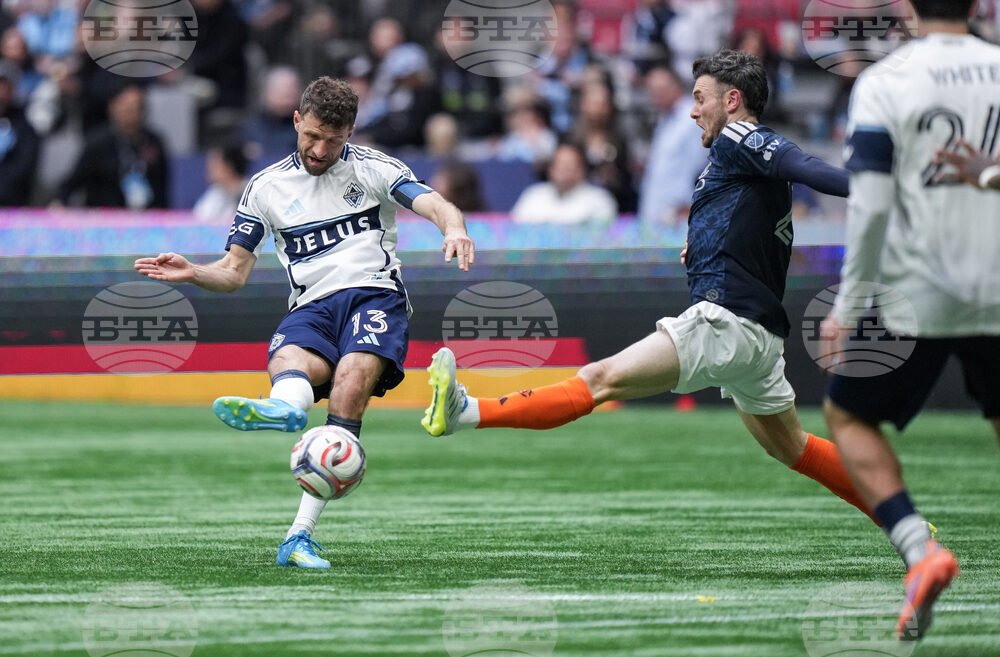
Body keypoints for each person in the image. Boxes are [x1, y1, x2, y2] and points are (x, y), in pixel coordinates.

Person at [423, 49, 881, 530]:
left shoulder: (742, 135)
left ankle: (466, 411)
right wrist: (705, 249)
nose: (692, 109)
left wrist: (875, 190)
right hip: (758, 335)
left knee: (600, 379)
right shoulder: (736, 162)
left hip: (727, 321)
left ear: (731, 100)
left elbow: (805, 165)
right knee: (793, 446)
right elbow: (755, 229)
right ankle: (901, 518)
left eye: (700, 98)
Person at [135, 77, 475, 569]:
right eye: (312, 135)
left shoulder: (375, 168)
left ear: (350, 133)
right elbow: (233, 273)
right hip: (311, 304)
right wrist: (194, 273)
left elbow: (433, 203)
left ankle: (299, 534)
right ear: (297, 120)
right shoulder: (266, 188)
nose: (319, 149)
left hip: (372, 293)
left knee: (352, 377)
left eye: (332, 141)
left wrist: (456, 227)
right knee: (288, 357)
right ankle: (286, 409)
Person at [819, 0, 1000, 640]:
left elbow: (868, 207)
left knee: (848, 416)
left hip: (917, 291)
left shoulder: (886, 80)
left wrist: (847, 305)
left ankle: (922, 553)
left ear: (907, 6)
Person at [58, 84, 168, 209]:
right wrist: (61, 204)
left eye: (135, 108)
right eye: (125, 108)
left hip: (146, 215)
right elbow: (72, 182)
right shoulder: (98, 142)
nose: (129, 113)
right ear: (112, 108)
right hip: (104, 215)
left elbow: (162, 186)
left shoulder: (153, 141)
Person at [510, 142, 617, 224]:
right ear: (551, 169)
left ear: (582, 170)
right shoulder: (533, 196)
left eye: (571, 166)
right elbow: (516, 230)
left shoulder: (600, 200)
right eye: (561, 165)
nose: (565, 170)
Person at [192, 144, 248, 221]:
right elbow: (198, 219)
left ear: (229, 166)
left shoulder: (250, 193)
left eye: (215, 163)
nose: (209, 168)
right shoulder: (214, 193)